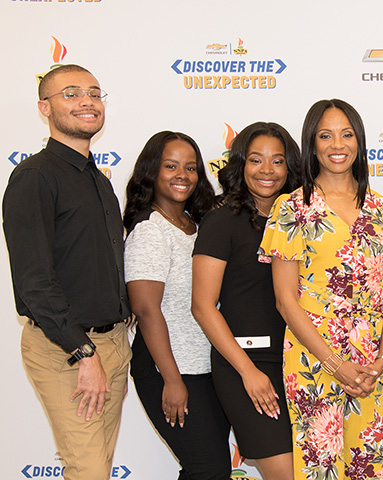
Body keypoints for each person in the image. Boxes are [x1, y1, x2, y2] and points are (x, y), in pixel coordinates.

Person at [261, 99, 383, 480]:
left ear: (359, 142)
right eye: (326, 135)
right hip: (312, 359)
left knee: (371, 466)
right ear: (312, 144)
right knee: (319, 470)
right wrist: (335, 365)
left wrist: (382, 360)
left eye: (347, 134)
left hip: (372, 362)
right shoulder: (290, 209)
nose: (337, 145)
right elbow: (285, 300)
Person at [2, 64, 131, 480]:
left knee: (99, 466)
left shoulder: (99, 181)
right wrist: (83, 352)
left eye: (94, 93)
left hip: (111, 343)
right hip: (68, 350)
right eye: (71, 94)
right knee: (88, 470)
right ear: (45, 107)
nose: (87, 101)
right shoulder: (35, 177)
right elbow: (34, 281)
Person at [191, 122, 300, 480]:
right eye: (256, 160)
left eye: (277, 161)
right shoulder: (222, 222)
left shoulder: (301, 221)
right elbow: (203, 306)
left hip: (298, 364)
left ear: (290, 168)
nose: (267, 170)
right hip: (245, 364)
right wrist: (248, 372)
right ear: (240, 165)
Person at [123, 131, 230, 479]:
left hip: (204, 367)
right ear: (152, 172)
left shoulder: (196, 226)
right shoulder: (151, 230)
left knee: (208, 468)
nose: (182, 175)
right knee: (207, 468)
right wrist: (171, 379)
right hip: (167, 369)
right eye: (170, 166)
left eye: (190, 167)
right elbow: (146, 309)